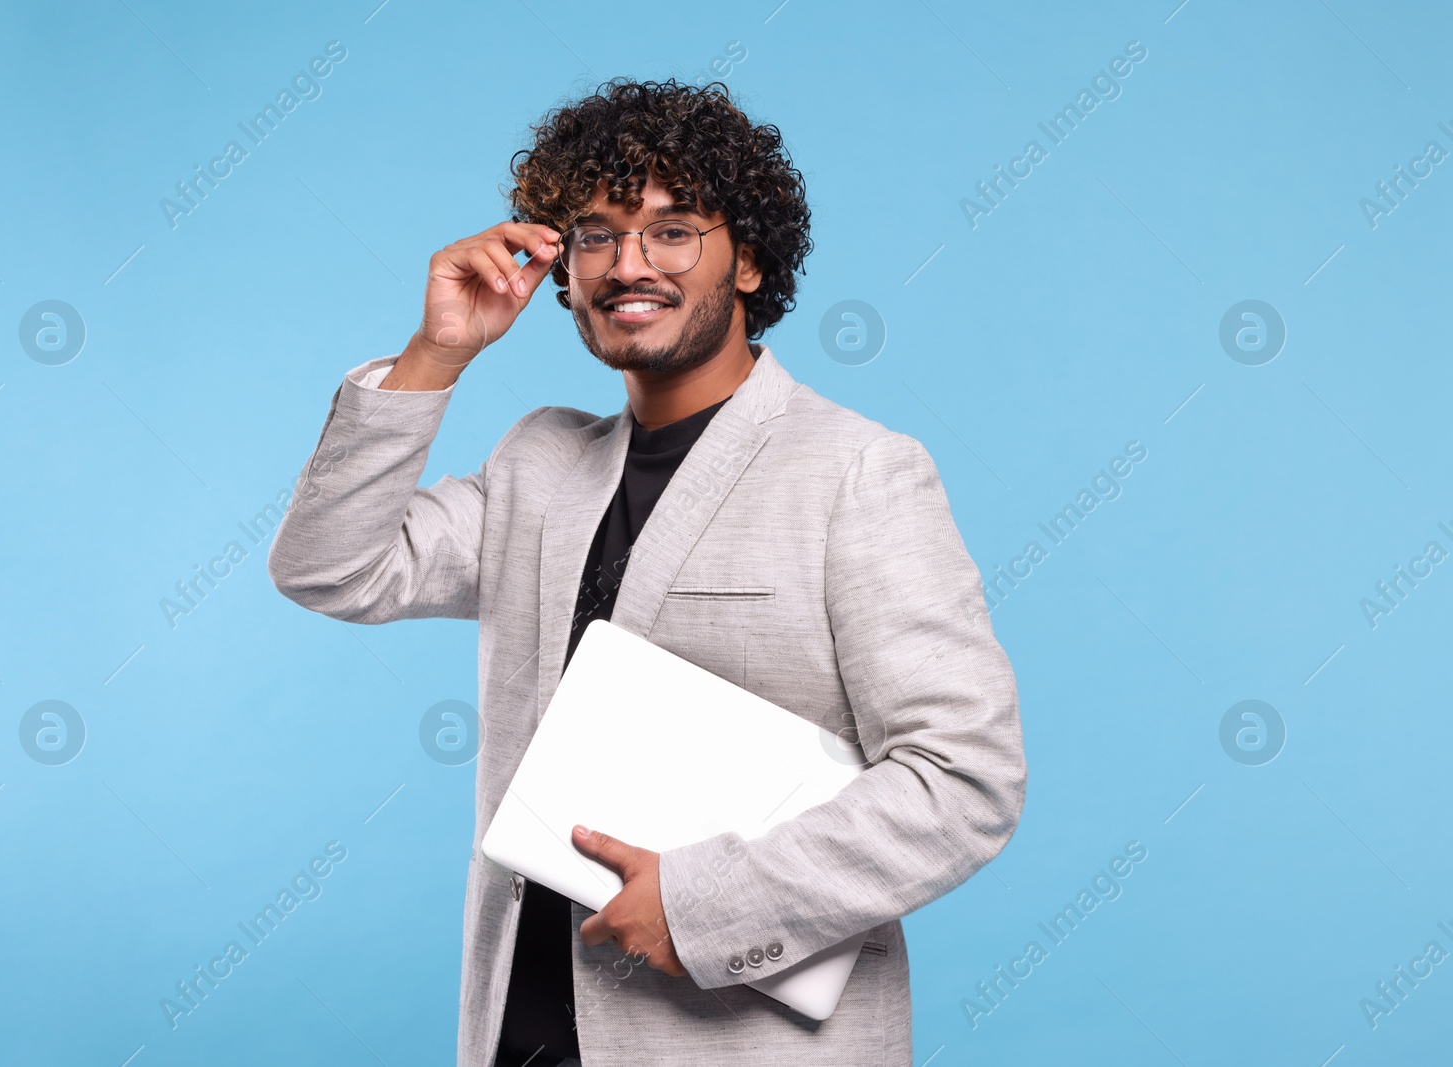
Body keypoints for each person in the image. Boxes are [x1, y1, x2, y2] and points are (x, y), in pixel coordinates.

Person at [268, 77, 1025, 1067]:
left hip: (737, 1039)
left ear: (748, 259)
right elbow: (331, 567)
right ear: (561, 269)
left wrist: (705, 900)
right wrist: (436, 351)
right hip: (524, 1027)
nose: (631, 264)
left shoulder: (856, 473)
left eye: (673, 231)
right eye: (597, 234)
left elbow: (962, 779)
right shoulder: (538, 462)